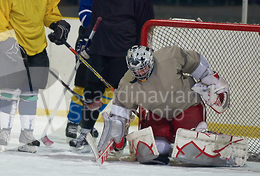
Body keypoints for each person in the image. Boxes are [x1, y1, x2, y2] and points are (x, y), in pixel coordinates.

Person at [69, 0, 155, 151]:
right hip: (100, 47)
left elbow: (146, 23)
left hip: (123, 51)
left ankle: (118, 137)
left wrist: (142, 49)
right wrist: (86, 39)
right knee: (92, 91)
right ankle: (85, 132)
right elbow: (96, 16)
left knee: (121, 96)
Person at [0, 0, 70, 153]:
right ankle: (5, 132)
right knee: (9, 92)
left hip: (37, 47)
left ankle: (26, 135)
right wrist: (9, 45)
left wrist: (58, 24)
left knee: (30, 93)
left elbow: (50, 12)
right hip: (11, 48)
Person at [96, 45, 231, 165]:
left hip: (186, 107)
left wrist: (214, 82)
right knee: (152, 149)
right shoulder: (127, 83)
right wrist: (116, 129)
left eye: (143, 69)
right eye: (136, 71)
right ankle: (170, 149)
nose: (141, 74)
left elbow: (195, 63)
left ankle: (209, 142)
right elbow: (121, 109)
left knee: (192, 146)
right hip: (158, 115)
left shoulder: (170, 57)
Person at [64, 0, 111, 140]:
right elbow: (84, 16)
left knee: (108, 88)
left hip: (114, 43)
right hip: (90, 38)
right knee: (82, 84)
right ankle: (73, 121)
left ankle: (87, 122)